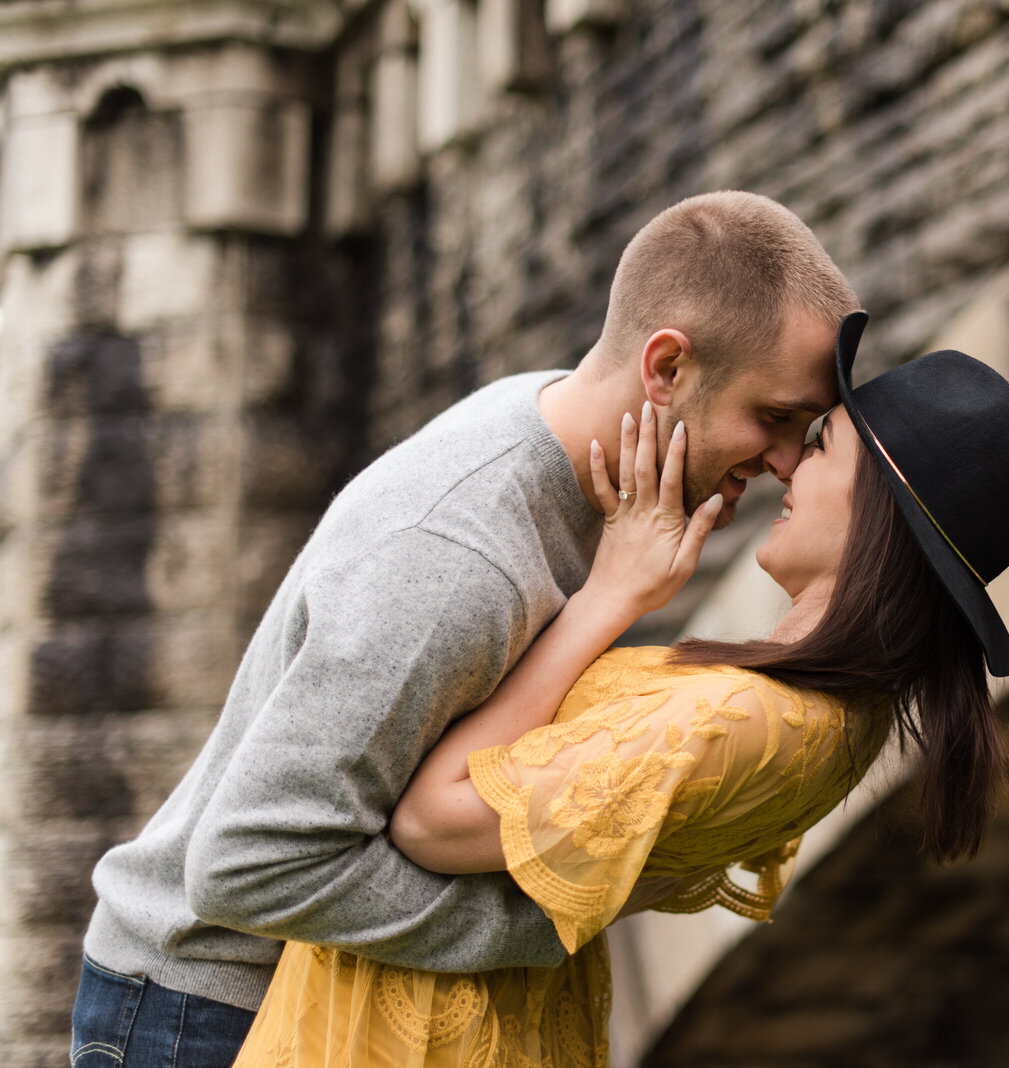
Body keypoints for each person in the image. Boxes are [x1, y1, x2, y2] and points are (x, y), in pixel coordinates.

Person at [70, 191, 860, 1068]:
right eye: (775, 418)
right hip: (201, 1010)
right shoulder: (456, 553)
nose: (787, 461)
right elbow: (250, 862)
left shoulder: (585, 459)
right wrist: (547, 922)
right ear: (665, 368)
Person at [229, 311, 1009, 1067]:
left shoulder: (750, 718)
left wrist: (609, 596)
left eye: (819, 446)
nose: (783, 469)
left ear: (883, 507)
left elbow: (431, 818)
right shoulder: (814, 710)